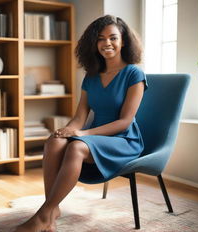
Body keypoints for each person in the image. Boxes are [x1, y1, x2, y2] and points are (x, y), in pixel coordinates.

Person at [14, 14, 148, 232]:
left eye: (113, 38)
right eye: (101, 39)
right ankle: (52, 210)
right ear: (94, 44)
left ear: (123, 41)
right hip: (94, 136)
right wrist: (68, 130)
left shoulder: (134, 74)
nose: (107, 43)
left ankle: (44, 215)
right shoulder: (91, 75)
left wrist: (83, 135)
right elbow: (80, 116)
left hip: (123, 140)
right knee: (54, 142)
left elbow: (124, 122)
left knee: (76, 147)